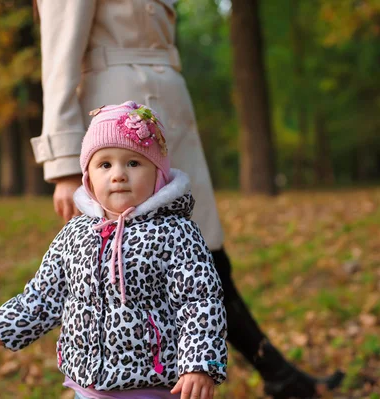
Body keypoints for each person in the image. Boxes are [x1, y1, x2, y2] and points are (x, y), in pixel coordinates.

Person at [29, 1, 344, 397]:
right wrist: (63, 166)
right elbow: (59, 59)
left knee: (207, 254)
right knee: (173, 267)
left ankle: (275, 374)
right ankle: (271, 374)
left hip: (165, 120)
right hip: (115, 130)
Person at [0, 102, 228, 399]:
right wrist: (6, 325)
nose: (118, 175)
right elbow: (46, 295)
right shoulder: (75, 233)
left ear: (158, 173)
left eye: (133, 163)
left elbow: (199, 303)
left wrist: (199, 365)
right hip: (88, 383)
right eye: (105, 165)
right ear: (88, 177)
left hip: (153, 383)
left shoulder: (176, 234)